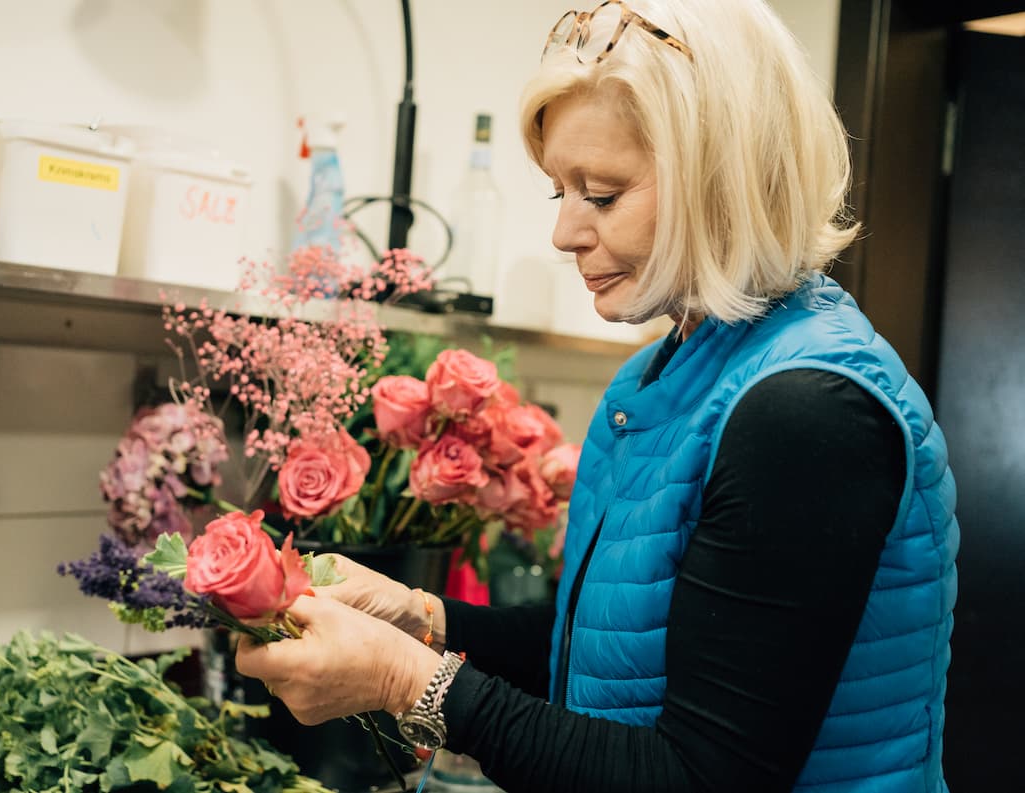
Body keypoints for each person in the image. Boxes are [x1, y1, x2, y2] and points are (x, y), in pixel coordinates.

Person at [236, 1, 958, 791]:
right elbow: (617, 647)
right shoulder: (663, 374)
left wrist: (405, 682)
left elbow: (696, 775)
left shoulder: (808, 411)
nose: (565, 233)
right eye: (561, 193)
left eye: (604, 195)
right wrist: (421, 616)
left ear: (726, 181)